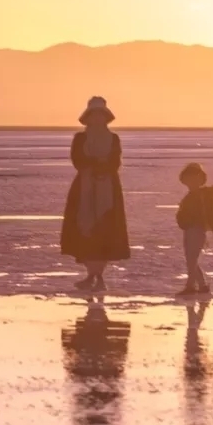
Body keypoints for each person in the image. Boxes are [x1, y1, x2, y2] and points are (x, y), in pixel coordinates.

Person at [60, 96, 131, 291]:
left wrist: (102, 168)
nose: (98, 119)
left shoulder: (114, 138)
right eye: (94, 115)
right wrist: (93, 165)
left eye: (101, 115)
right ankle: (93, 276)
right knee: (86, 229)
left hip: (108, 188)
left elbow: (115, 162)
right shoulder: (80, 138)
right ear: (88, 117)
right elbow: (77, 160)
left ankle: (96, 277)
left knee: (105, 230)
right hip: (84, 187)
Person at [176, 162, 213, 295]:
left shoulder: (199, 196)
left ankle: (191, 286)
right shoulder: (192, 195)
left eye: (193, 179)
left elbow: (199, 214)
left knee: (192, 259)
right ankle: (202, 285)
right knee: (191, 259)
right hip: (189, 229)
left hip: (196, 230)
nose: (190, 182)